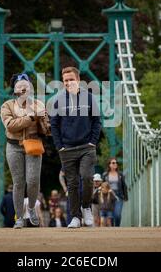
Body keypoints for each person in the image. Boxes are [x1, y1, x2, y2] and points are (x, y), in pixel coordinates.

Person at [50, 66, 101, 229]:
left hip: (87, 147)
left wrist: (93, 142)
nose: (68, 82)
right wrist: (60, 147)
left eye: (71, 79)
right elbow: (54, 125)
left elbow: (96, 121)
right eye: (65, 80)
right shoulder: (58, 100)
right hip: (67, 149)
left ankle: (86, 207)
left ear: (78, 80)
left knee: (86, 178)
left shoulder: (89, 98)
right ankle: (75, 217)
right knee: (72, 184)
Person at [0, 73, 51, 229]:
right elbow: (10, 125)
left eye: (26, 86)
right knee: (19, 182)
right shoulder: (7, 106)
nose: (23, 89)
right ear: (14, 90)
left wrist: (45, 120)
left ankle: (31, 209)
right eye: (19, 86)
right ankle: (19, 218)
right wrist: (30, 118)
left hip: (34, 143)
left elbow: (47, 130)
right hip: (14, 146)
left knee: (34, 180)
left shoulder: (39, 104)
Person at [102, 157, 128, 227]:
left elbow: (124, 186)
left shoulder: (120, 174)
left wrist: (125, 196)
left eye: (116, 163)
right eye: (113, 163)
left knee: (117, 214)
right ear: (109, 165)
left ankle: (117, 227)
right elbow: (103, 187)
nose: (115, 164)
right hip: (108, 197)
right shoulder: (105, 175)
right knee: (110, 215)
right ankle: (113, 229)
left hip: (118, 196)